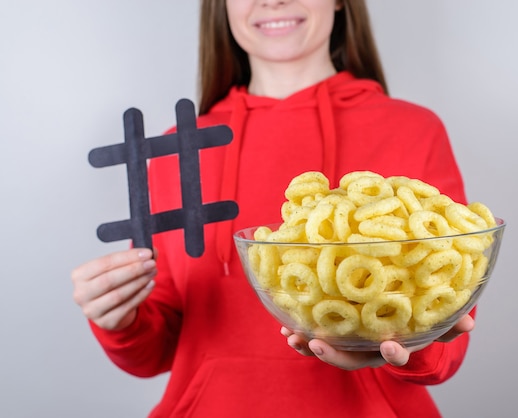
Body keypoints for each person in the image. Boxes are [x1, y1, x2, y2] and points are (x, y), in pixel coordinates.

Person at [71, 0, 476, 416]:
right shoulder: (180, 148)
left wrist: (410, 346)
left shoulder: (412, 130)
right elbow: (158, 349)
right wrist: (120, 319)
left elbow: (447, 334)